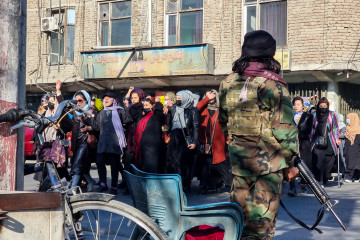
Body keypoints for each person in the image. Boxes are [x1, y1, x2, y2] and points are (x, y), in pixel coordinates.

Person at [219, 30, 299, 240]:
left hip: (240, 164)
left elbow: (223, 121)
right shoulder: (273, 85)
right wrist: (290, 162)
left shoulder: (227, 83)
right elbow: (285, 129)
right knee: (262, 225)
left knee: (239, 220)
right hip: (268, 165)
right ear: (270, 55)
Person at [90, 92, 132, 195]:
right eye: (105, 98)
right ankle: (103, 184)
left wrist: (127, 107)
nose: (106, 100)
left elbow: (128, 120)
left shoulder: (119, 111)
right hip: (103, 143)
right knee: (99, 163)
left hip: (115, 143)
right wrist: (90, 117)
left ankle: (113, 186)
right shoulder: (101, 112)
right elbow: (97, 127)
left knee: (115, 166)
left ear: (114, 100)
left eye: (109, 98)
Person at [196, 89, 231, 193]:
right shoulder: (202, 109)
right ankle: (206, 185)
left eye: (213, 96)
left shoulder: (221, 110)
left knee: (221, 163)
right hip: (205, 142)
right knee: (206, 164)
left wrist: (229, 139)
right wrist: (207, 98)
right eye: (209, 96)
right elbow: (196, 108)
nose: (212, 99)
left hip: (219, 142)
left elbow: (226, 125)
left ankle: (227, 184)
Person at [166, 90, 199, 193]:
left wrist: (194, 142)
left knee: (182, 162)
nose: (178, 100)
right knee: (171, 161)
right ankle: (173, 185)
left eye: (180, 98)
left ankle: (184, 185)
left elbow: (195, 127)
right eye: (177, 98)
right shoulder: (174, 108)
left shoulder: (193, 110)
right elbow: (169, 123)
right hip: (174, 136)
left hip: (185, 137)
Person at [67, 90, 96, 192]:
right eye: (75, 101)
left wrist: (88, 128)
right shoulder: (73, 112)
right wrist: (58, 93)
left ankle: (73, 187)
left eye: (80, 100)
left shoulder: (90, 112)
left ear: (86, 101)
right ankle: (90, 182)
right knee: (80, 165)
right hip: (76, 142)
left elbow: (96, 126)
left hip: (85, 143)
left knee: (78, 165)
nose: (78, 103)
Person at [309, 97, 340, 187]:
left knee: (330, 159)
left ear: (327, 106)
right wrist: (311, 137)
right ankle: (320, 179)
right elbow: (312, 127)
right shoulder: (314, 114)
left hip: (330, 140)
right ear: (318, 106)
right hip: (317, 140)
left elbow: (335, 127)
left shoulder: (332, 114)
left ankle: (326, 176)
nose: (323, 107)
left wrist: (337, 138)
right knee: (318, 160)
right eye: (321, 105)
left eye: (325, 106)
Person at [129, 97, 164, 173]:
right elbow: (132, 110)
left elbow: (159, 109)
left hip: (152, 148)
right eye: (144, 106)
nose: (145, 107)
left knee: (151, 169)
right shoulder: (141, 116)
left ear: (152, 106)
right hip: (141, 147)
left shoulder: (156, 116)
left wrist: (157, 102)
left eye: (147, 105)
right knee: (142, 168)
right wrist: (141, 103)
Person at [344, 113, 360, 182]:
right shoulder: (348, 128)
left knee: (354, 162)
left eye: (348, 118)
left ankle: (351, 176)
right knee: (348, 160)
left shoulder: (358, 129)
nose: (347, 120)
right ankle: (354, 176)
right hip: (348, 148)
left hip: (355, 149)